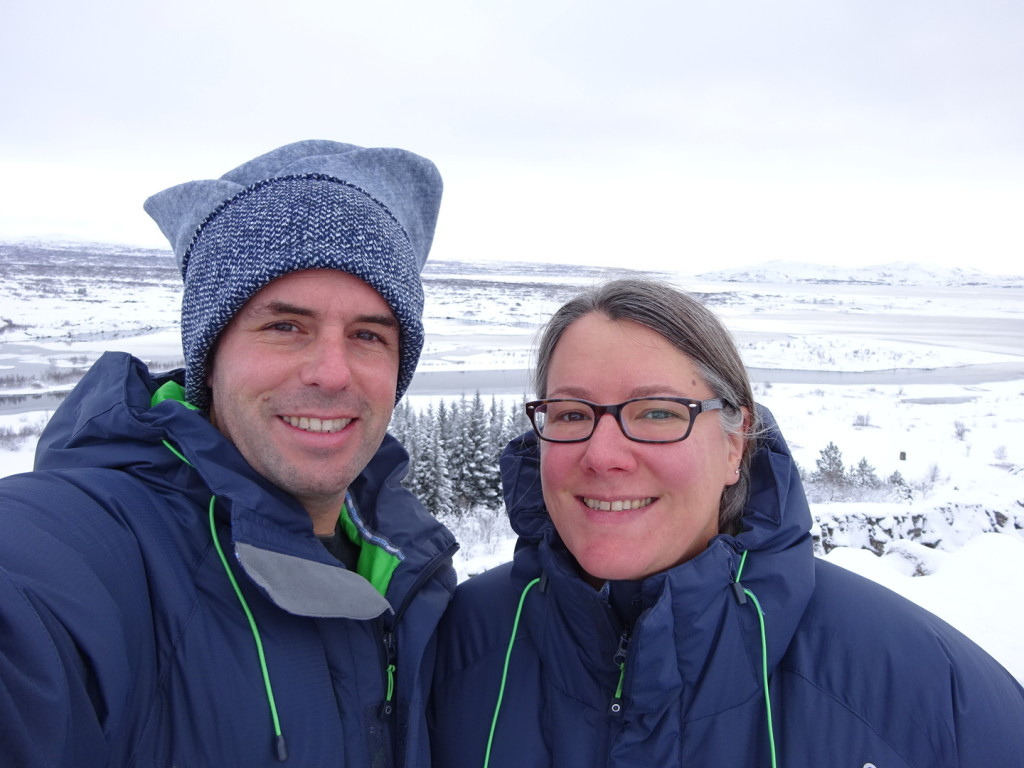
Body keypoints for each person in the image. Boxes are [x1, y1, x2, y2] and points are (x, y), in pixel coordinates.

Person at [430, 278, 1024, 767]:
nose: (603, 453)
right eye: (570, 413)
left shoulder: (922, 690)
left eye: (658, 412)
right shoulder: (454, 650)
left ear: (736, 444)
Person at [0, 140, 458, 767]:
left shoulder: (413, 576)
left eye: (368, 335)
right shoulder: (96, 546)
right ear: (210, 360)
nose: (331, 371)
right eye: (284, 326)